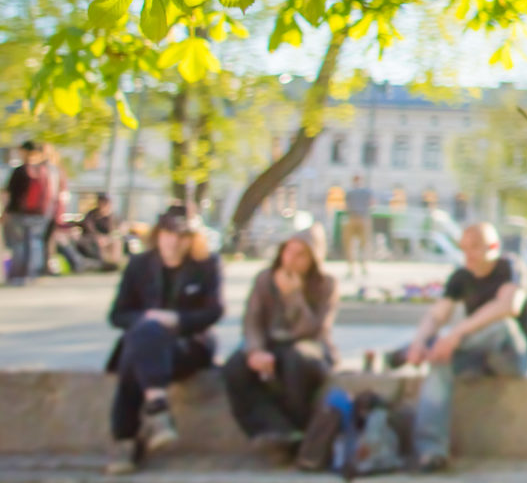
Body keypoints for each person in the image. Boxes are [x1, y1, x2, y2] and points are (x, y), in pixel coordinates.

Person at [103, 206, 224, 475]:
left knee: (138, 349)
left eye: (182, 236)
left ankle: (125, 441)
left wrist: (176, 319)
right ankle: (156, 409)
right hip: (145, 344)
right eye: (168, 234)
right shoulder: (139, 265)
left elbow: (214, 311)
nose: (174, 241)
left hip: (187, 345)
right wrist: (148, 317)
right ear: (158, 235)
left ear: (193, 239)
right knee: (142, 340)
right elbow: (117, 315)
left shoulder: (206, 265)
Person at [402, 223, 527, 472]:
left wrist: (454, 336)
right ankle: (431, 453)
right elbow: (437, 316)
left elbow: (509, 306)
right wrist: (419, 342)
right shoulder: (461, 276)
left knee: (501, 325)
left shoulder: (510, 268)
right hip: (478, 359)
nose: (467, 255)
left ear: (493, 247)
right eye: (463, 248)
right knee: (440, 361)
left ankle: (427, 349)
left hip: (511, 357)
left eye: (474, 248)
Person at [222, 230, 337, 452]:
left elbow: (313, 329)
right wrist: (255, 350)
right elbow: (252, 320)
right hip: (270, 343)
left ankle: (298, 431)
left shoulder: (326, 284)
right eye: (288, 252)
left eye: (301, 255)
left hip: (308, 346)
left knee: (295, 362)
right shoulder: (265, 279)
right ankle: (269, 428)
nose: (291, 260)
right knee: (236, 366)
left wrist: (293, 295)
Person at [5, 140, 55, 284]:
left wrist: (6, 212)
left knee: (19, 244)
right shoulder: (45, 171)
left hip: (19, 214)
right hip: (40, 214)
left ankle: (18, 276)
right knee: (35, 243)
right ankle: (32, 274)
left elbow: (11, 194)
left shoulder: (20, 171)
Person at [81, 193, 127, 270]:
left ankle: (114, 263)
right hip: (94, 239)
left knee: (116, 242)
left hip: (109, 238)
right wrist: (99, 237)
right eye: (102, 202)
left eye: (106, 202)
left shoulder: (113, 216)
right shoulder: (92, 215)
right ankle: (104, 264)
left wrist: (109, 238)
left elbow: (120, 229)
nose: (104, 204)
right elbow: (89, 229)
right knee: (99, 242)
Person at [342, 175, 375, 279]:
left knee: (350, 245)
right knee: (364, 245)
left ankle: (352, 268)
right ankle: (363, 267)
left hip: (352, 218)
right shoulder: (366, 192)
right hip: (363, 218)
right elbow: (372, 205)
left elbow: (346, 206)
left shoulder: (350, 192)